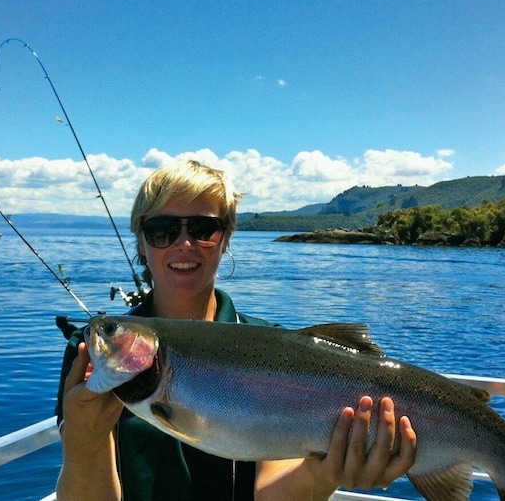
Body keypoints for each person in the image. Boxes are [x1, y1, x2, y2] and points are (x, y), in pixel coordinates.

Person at [55, 160, 417, 501]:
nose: (184, 244)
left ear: (226, 238)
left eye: (202, 229)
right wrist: (84, 443)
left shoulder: (279, 350)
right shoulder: (88, 355)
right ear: (141, 242)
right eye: (161, 230)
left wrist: (326, 472)